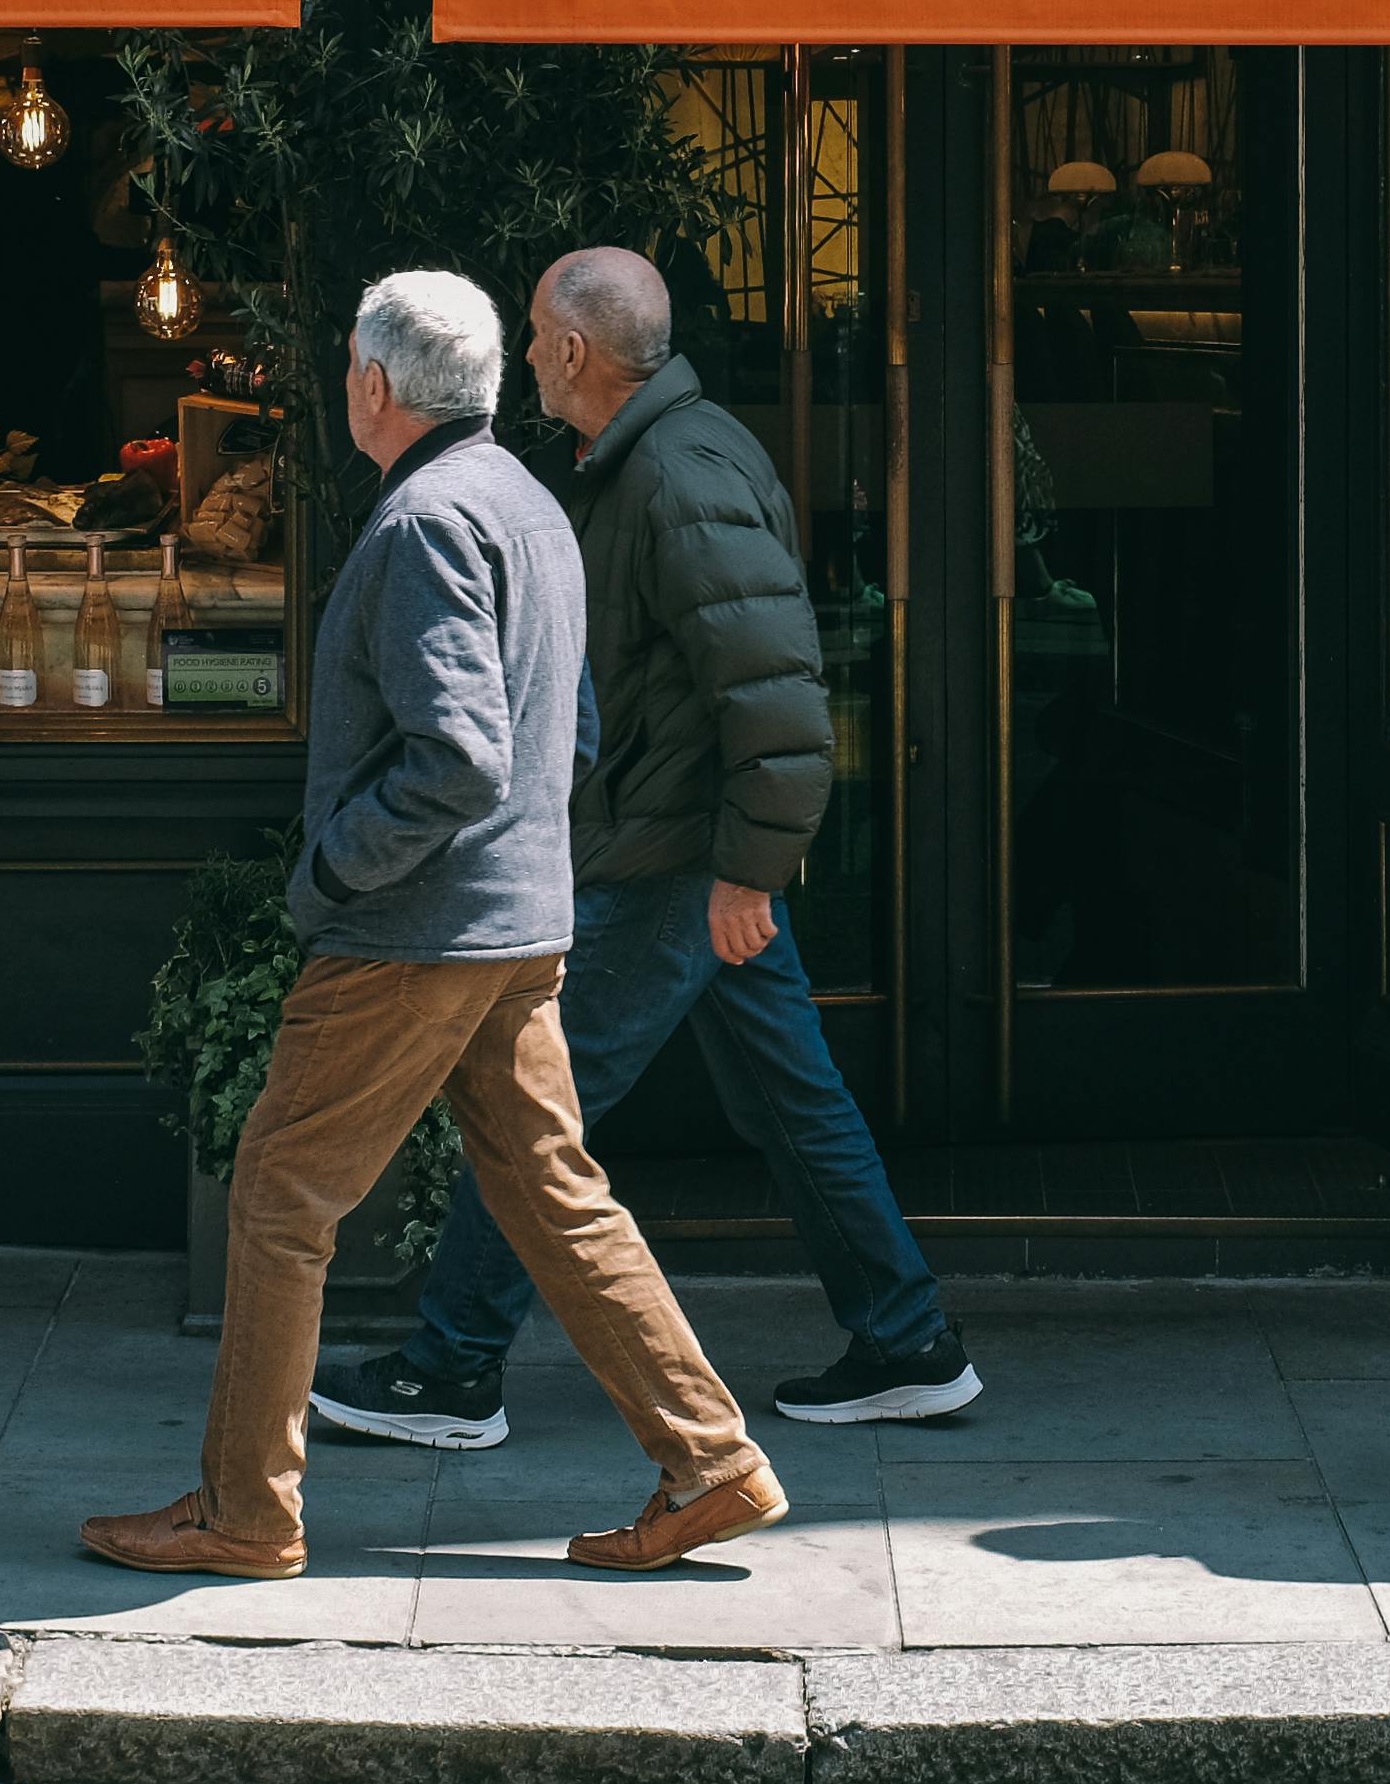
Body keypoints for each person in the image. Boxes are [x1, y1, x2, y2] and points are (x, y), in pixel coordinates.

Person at [82, 271, 781, 1582]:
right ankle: (710, 1457)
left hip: (412, 931)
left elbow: (456, 753)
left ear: (373, 384)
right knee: (553, 1194)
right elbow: (561, 739)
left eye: (347, 364)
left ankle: (247, 1509)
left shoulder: (421, 522)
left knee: (284, 1191)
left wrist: (336, 872)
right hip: (516, 917)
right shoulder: (525, 502)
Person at [311, 247, 978, 1452]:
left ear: (572, 351)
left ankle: (455, 1364)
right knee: (792, 1096)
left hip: (675, 864)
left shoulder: (674, 470)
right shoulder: (659, 455)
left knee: (532, 1117)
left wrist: (748, 873)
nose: (521, 356)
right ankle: (907, 1338)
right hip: (687, 851)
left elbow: (778, 695)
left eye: (533, 335)